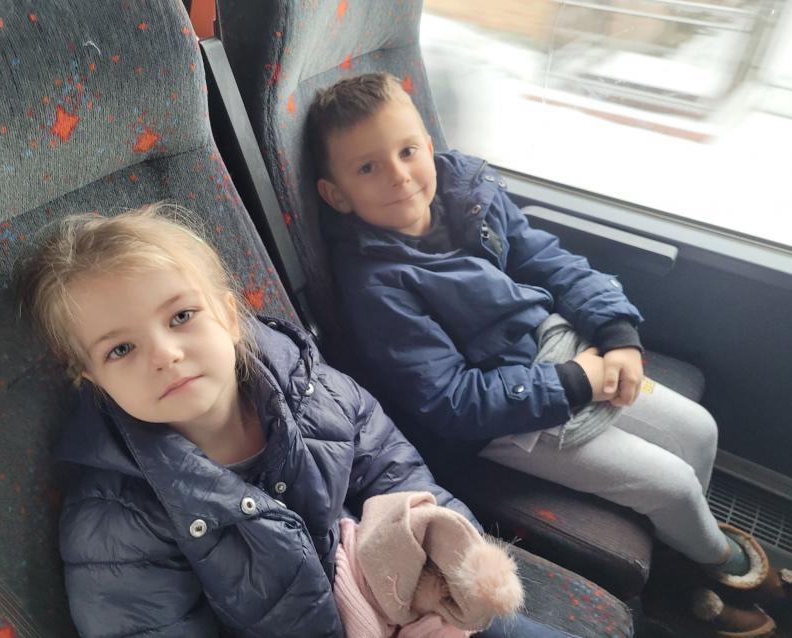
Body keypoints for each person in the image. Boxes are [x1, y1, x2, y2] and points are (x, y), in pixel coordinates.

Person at [309, 73, 787, 638]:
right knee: (673, 484)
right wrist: (576, 381)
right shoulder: (377, 284)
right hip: (506, 419)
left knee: (701, 431)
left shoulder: (467, 196)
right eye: (368, 167)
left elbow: (548, 260)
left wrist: (616, 333)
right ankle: (707, 568)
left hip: (556, 346)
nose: (399, 174)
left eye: (408, 151)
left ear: (429, 146)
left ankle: (683, 545)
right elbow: (452, 400)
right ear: (336, 194)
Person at [15, 204, 576, 638]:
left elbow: (394, 470)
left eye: (181, 316)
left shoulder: (313, 389)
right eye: (120, 350)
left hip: (397, 593)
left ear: (229, 317)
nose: (164, 354)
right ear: (92, 379)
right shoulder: (117, 518)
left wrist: (450, 558)